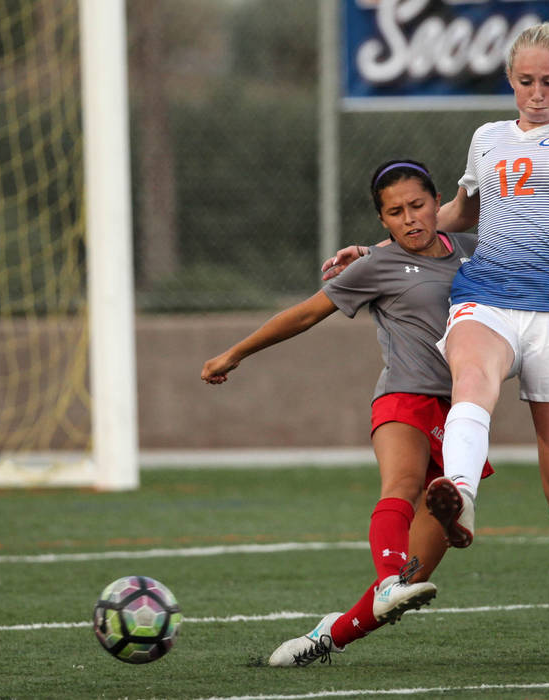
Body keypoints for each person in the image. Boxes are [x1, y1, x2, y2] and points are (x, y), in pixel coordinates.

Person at [323, 26, 549, 662]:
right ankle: (458, 497)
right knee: (473, 378)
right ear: (510, 81)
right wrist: (376, 249)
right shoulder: (487, 139)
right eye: (525, 81)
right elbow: (456, 215)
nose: (537, 93)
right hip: (484, 297)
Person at [201, 160, 492, 667]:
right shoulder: (376, 266)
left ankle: (327, 637)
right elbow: (307, 313)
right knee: (400, 486)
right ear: (383, 221)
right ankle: (385, 580)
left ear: (438, 202)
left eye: (418, 206)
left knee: (415, 578)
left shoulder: (474, 253)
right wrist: (236, 353)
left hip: (464, 413)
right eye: (395, 212)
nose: (410, 219)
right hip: (404, 396)